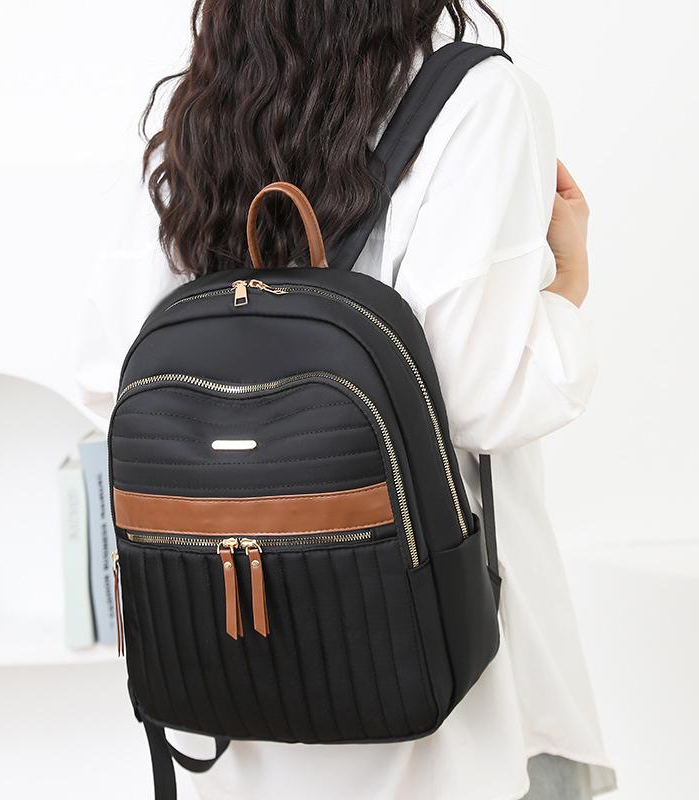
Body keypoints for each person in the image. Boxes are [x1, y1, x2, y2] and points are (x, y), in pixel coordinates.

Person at [76, 2, 617, 798]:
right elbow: (484, 399)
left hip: (227, 669)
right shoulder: (476, 97)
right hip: (423, 662)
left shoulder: (199, 106)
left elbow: (109, 379)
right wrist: (567, 286)